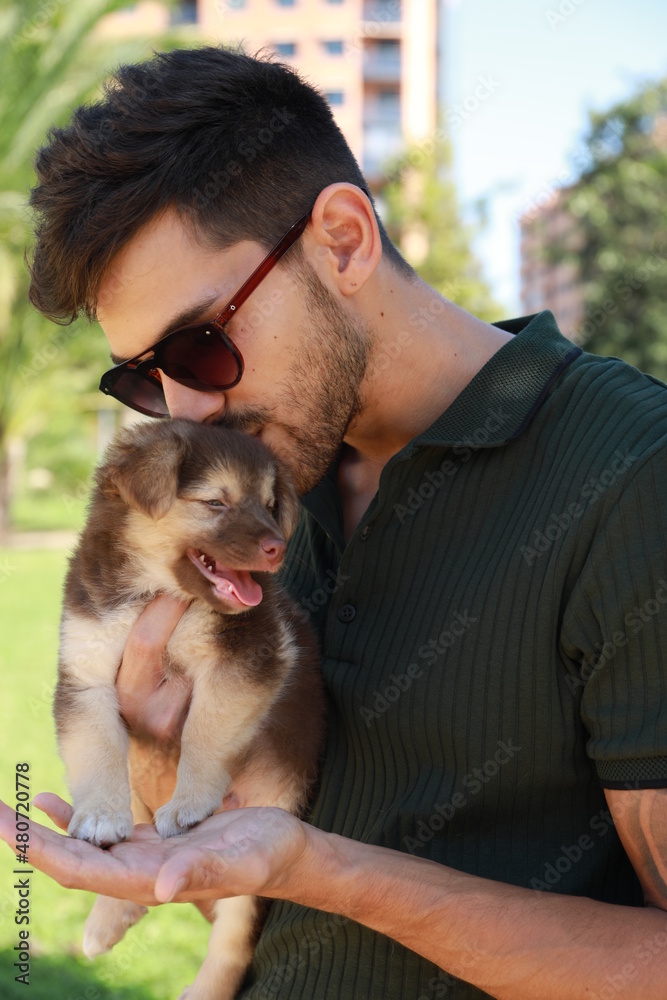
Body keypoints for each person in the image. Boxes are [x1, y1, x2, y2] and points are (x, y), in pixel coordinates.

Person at [1, 45, 667, 1000]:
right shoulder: (263, 478)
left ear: (344, 241)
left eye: (199, 346)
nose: (186, 412)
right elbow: (248, 888)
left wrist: (327, 871)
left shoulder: (634, 478)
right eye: (145, 379)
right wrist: (161, 759)